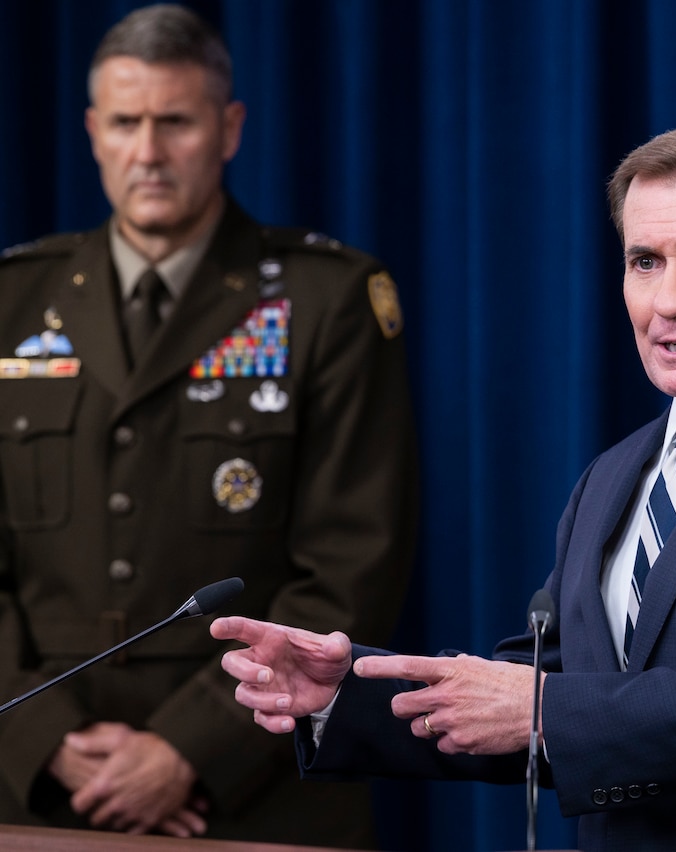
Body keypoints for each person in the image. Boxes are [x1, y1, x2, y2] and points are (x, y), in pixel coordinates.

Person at [215, 121, 676, 850]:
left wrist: (543, 708)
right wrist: (348, 696)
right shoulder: (613, 476)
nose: (668, 300)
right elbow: (551, 694)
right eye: (645, 261)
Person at [0, 5, 416, 846]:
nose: (147, 153)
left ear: (228, 129)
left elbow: (351, 568)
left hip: (254, 783)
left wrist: (187, 749)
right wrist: (46, 740)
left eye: (175, 122)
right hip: (39, 786)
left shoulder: (325, 300)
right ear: (91, 131)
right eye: (125, 122)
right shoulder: (12, 300)